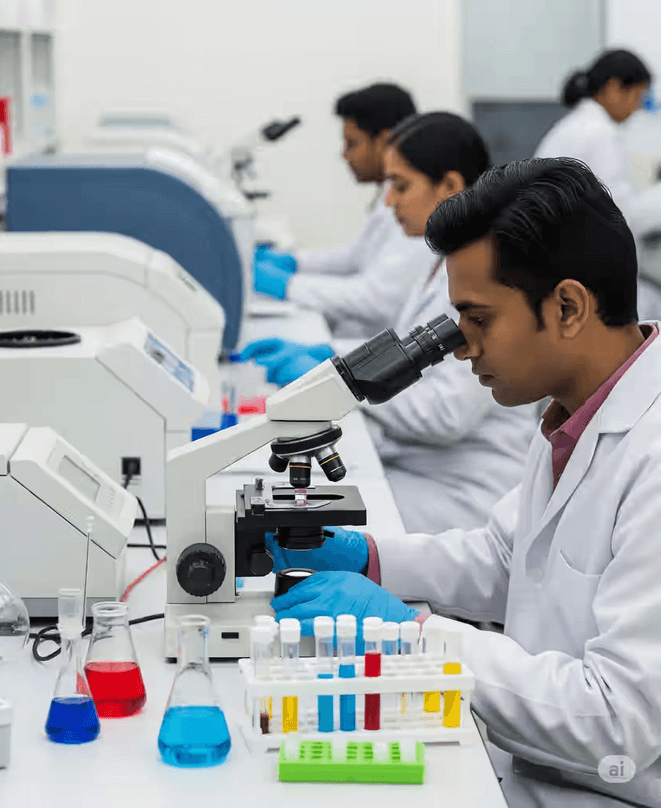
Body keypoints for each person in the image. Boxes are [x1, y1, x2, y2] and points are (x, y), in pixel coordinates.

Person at [271, 157, 661, 808]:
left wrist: (413, 638)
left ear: (567, 307)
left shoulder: (652, 451)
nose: (460, 348)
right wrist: (368, 558)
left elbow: (619, 721)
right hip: (534, 763)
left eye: (478, 320)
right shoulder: (573, 408)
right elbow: (503, 558)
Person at [244, 114, 537, 533]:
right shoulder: (443, 261)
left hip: (462, 492)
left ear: (450, 187)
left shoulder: (482, 279)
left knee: (303, 525)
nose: (388, 202)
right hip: (421, 467)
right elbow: (405, 354)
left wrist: (346, 381)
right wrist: (337, 364)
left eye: (400, 186)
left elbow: (446, 413)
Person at [253, 82, 431, 337]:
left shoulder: (420, 206)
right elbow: (357, 258)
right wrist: (294, 262)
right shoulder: (390, 193)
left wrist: (287, 285)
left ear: (385, 140)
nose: (344, 155)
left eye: (352, 144)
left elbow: (377, 299)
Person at [536, 49, 661, 321]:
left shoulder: (576, 125)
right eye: (638, 96)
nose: (638, 107)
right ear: (615, 88)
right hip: (568, 262)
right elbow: (622, 213)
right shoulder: (600, 133)